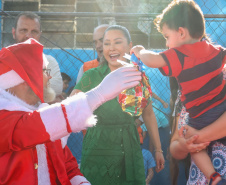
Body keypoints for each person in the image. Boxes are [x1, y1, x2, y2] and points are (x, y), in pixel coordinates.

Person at [0, 38, 142, 184]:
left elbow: (67, 167)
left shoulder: (44, 115)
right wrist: (99, 94)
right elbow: (32, 127)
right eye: (44, 71)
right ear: (22, 79)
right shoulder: (5, 115)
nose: (50, 76)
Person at [131, 0, 226, 184]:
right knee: (189, 142)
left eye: (166, 36)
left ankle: (213, 176)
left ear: (181, 32)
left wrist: (140, 51)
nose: (166, 44)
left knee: (193, 142)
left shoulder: (179, 55)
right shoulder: (215, 51)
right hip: (221, 107)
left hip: (200, 115)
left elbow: (152, 60)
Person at [71, 25, 164, 185]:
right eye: (107, 43)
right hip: (97, 151)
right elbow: (71, 105)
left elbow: (148, 114)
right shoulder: (91, 76)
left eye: (117, 42)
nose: (111, 48)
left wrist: (158, 149)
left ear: (129, 46)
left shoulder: (137, 76)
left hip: (129, 150)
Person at [12, 11, 63, 98]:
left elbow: (57, 89)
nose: (29, 36)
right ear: (14, 33)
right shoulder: (3, 61)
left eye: (34, 31)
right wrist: (43, 86)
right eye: (23, 30)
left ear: (40, 34)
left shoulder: (49, 61)